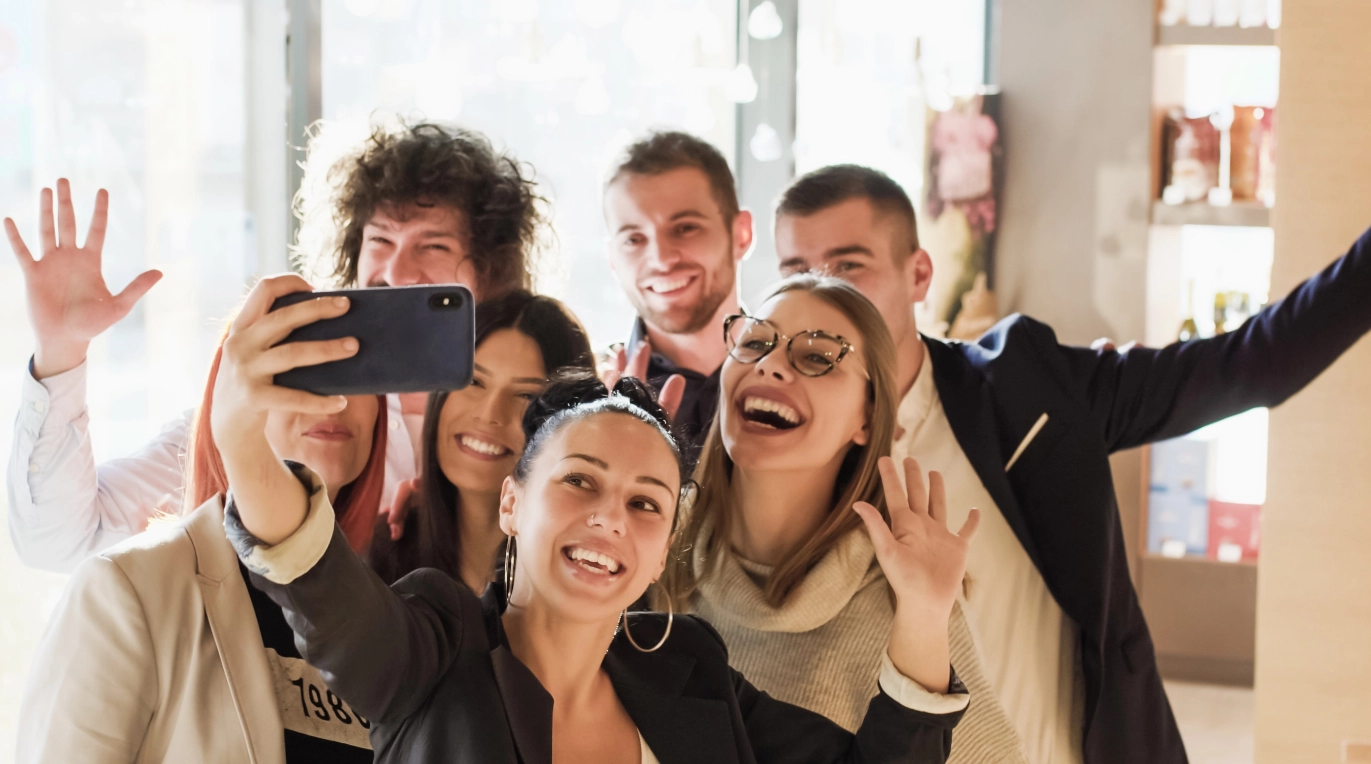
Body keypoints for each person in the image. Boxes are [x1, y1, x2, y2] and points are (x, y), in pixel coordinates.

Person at [769, 95, 1371, 763]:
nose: (824, 299)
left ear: (918, 273)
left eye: (849, 268)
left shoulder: (1023, 384)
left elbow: (1247, 365)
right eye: (797, 275)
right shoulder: (772, 447)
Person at [216, 275, 978, 762]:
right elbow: (321, 586)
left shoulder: (694, 673)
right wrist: (241, 439)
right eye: (580, 481)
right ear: (513, 501)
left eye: (646, 501)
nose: (611, 517)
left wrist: (922, 612)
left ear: (663, 545)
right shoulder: (437, 649)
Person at [4, 119, 545, 571]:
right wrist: (61, 353)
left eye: (433, 245)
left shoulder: (519, 421)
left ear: (488, 272)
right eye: (379, 240)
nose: (394, 270)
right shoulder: (271, 393)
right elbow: (58, 538)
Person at [15, 285, 391, 763]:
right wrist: (59, 354)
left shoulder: (382, 613)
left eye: (355, 372)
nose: (334, 396)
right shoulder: (126, 591)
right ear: (232, 393)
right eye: (298, 369)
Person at [658, 274, 1024, 762]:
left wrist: (925, 617)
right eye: (754, 342)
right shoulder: (652, 544)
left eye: (817, 357)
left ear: (869, 421)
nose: (770, 366)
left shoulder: (906, 603)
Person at [368, 290, 594, 592]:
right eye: (473, 381)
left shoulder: (591, 566)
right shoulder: (385, 553)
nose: (489, 415)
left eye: (526, 395)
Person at [598, 130, 752, 450]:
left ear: (741, 234)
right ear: (612, 257)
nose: (662, 260)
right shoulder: (583, 398)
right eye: (634, 239)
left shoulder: (797, 386)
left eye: (685, 228)